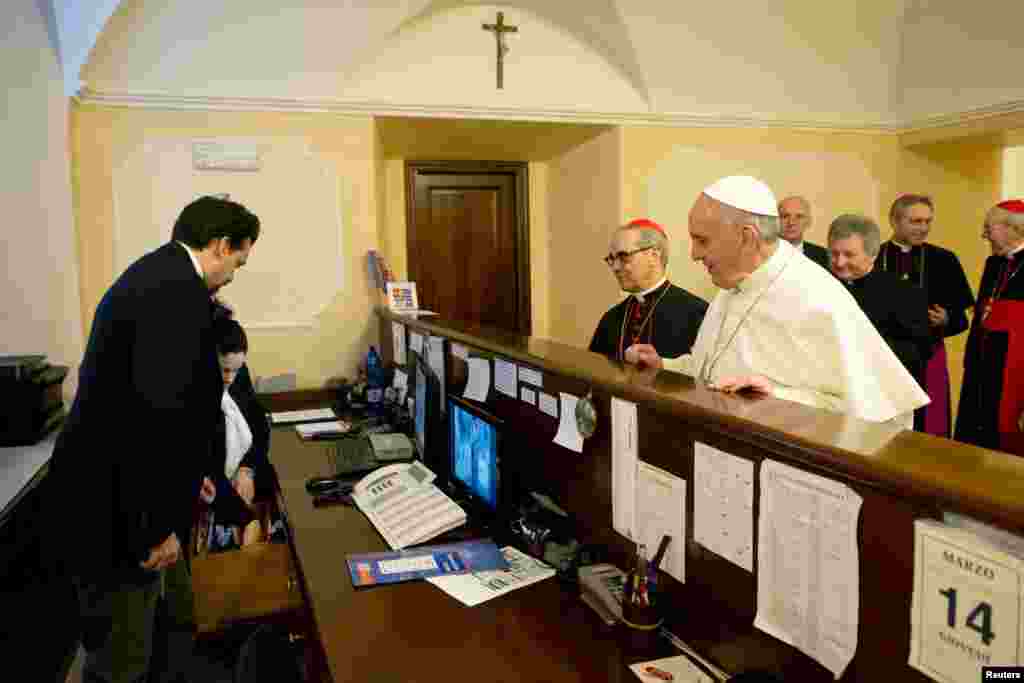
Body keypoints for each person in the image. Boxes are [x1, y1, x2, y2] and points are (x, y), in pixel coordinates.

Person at [46, 195, 260, 683]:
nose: (233, 275)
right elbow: (148, 424)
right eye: (239, 262)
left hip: (121, 498)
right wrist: (155, 527)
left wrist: (194, 481)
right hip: (116, 513)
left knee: (159, 632)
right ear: (221, 246)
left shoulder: (161, 278)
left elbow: (174, 412)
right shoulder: (173, 295)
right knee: (123, 659)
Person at [628, 176, 928, 427]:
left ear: (747, 237)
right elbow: (713, 370)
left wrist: (778, 396)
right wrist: (665, 366)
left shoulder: (816, 297)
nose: (693, 254)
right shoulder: (733, 286)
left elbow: (877, 414)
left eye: (702, 240)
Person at [875, 195, 974, 436]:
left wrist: (947, 320)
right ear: (894, 221)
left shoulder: (944, 260)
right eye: (915, 221)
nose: (923, 228)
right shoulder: (874, 255)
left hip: (928, 356)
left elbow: (963, 319)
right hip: (883, 356)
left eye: (928, 222)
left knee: (928, 428)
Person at [827, 214, 932, 389]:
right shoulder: (820, 285)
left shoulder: (905, 293)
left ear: (873, 254)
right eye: (833, 253)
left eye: (849, 255)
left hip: (881, 391)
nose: (839, 262)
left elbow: (918, 353)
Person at [955, 199, 1024, 455]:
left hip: (1013, 369)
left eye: (989, 228)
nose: (984, 234)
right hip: (982, 364)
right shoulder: (993, 264)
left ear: (1011, 228)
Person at [589, 218, 708, 362]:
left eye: (623, 256)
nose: (615, 267)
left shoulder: (696, 313)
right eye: (611, 259)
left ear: (654, 256)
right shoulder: (611, 319)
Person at [202, 310, 273, 551]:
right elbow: (207, 466)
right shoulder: (196, 396)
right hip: (215, 491)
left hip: (239, 479)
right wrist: (245, 516)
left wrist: (247, 469)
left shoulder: (238, 373)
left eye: (237, 369)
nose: (230, 378)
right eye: (224, 370)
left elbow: (260, 428)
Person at [778, 195, 829, 269]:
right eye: (785, 216)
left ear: (809, 222)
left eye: (799, 216)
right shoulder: (762, 254)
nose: (791, 222)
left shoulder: (823, 256)